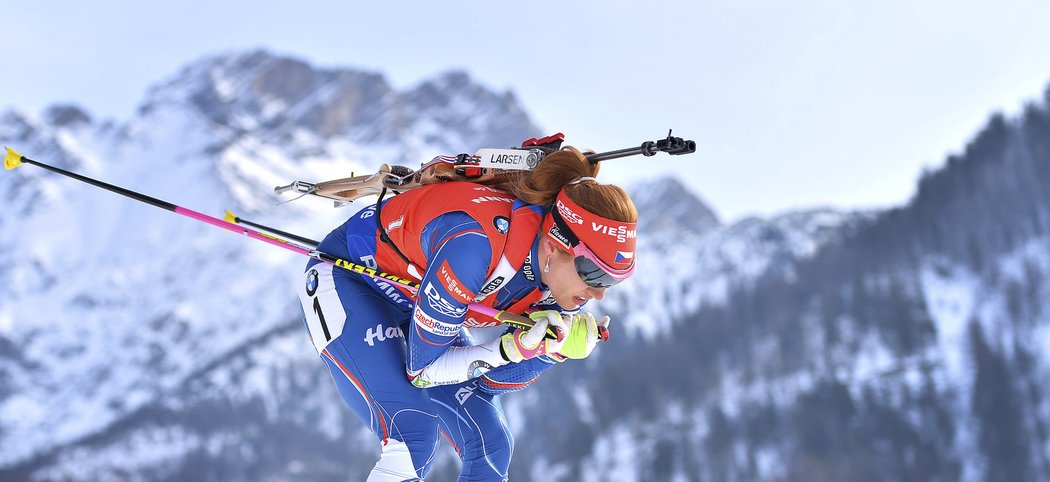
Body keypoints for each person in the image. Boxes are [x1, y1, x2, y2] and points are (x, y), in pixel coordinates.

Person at [296, 146, 638, 481]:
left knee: (492, 446)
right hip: (351, 281)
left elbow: (488, 382)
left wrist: (550, 350)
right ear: (554, 245)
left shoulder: (560, 286)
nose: (599, 292)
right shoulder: (474, 246)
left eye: (614, 278)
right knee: (414, 436)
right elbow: (424, 371)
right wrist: (512, 348)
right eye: (594, 273)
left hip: (419, 305)